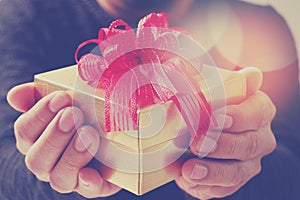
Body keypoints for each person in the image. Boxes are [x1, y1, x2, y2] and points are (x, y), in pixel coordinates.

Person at [1, 0, 300, 199]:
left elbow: (292, 167)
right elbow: (5, 162)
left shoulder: (259, 26)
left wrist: (249, 162)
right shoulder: (16, 15)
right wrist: (52, 176)